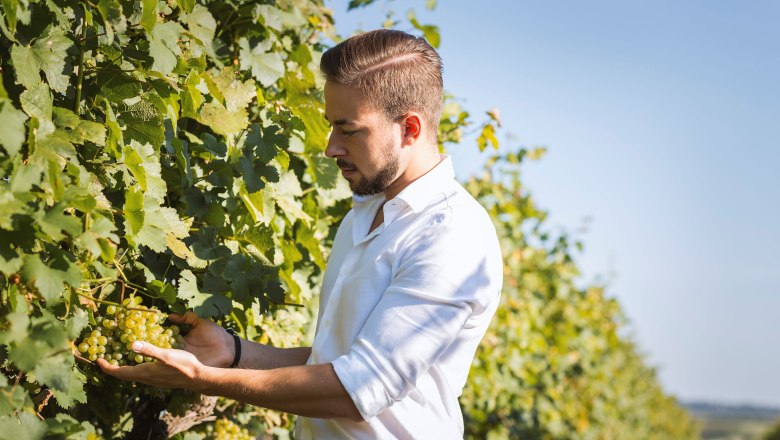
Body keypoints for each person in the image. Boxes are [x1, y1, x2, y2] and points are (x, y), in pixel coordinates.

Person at [99, 29, 503, 439]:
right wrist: (234, 352)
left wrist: (202, 379)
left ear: (410, 129)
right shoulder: (364, 215)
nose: (330, 148)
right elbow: (336, 360)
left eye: (348, 130)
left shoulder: (452, 237)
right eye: (330, 128)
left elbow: (355, 390)